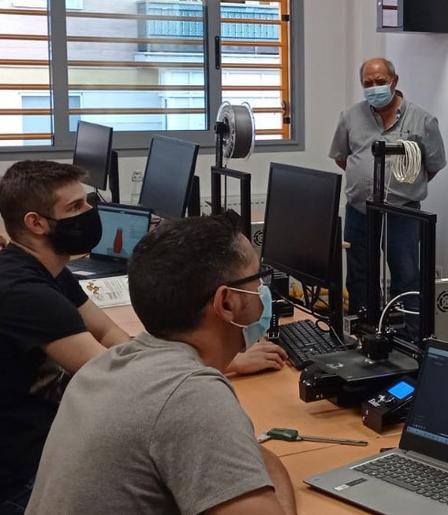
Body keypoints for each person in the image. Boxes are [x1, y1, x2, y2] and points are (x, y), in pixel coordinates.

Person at [26, 211, 448, 515]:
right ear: (227, 304)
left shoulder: (116, 367)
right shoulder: (190, 396)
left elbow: (247, 461)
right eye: (257, 282)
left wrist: (249, 461)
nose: (265, 293)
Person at [0, 161, 284, 513]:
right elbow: (120, 375)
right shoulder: (23, 291)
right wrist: (267, 467)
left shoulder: (48, 272)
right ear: (36, 223)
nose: (90, 212)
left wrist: (201, 358)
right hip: (16, 474)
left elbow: (108, 335)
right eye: (75, 208)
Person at [331, 57, 447, 326]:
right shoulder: (350, 117)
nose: (374, 88)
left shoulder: (423, 120)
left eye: (380, 82)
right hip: (360, 211)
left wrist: (404, 187)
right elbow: (341, 157)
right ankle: (364, 328)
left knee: (406, 274)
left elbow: (433, 165)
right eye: (368, 84)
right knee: (359, 273)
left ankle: (411, 337)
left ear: (394, 81)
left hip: (402, 213)